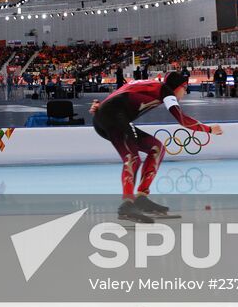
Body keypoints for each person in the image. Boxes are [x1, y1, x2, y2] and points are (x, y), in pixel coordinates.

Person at [88, 72, 223, 223]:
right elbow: (182, 119)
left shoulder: (151, 85)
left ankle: (141, 198)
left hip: (109, 116)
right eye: (185, 89)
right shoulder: (166, 90)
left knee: (156, 148)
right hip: (111, 117)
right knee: (132, 157)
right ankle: (127, 205)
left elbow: (123, 91)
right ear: (178, 87)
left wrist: (102, 105)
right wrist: (209, 129)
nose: (185, 93)